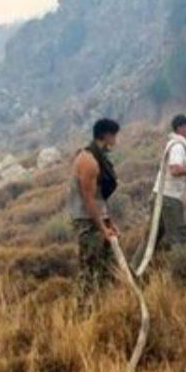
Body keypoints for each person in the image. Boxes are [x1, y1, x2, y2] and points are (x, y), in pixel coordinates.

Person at [69, 118, 122, 295]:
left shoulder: (99, 158)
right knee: (89, 272)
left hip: (97, 221)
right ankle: (82, 317)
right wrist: (102, 228)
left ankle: (103, 310)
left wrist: (109, 223)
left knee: (106, 270)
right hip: (87, 223)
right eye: (114, 136)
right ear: (106, 136)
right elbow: (88, 200)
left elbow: (99, 198)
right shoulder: (88, 161)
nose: (116, 141)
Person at [153, 115, 186, 252]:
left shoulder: (177, 144)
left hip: (161, 194)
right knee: (178, 237)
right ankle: (179, 269)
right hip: (169, 197)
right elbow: (175, 170)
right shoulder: (178, 146)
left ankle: (134, 269)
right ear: (179, 128)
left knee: (152, 237)